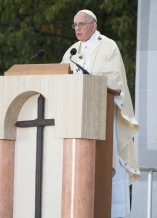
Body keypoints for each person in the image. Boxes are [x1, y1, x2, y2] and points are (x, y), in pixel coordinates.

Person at [62, 10, 140, 218]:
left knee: (106, 161)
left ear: (93, 25)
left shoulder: (108, 46)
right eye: (75, 25)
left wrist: (90, 81)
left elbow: (115, 80)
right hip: (77, 117)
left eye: (81, 24)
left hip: (103, 114)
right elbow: (61, 78)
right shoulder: (72, 50)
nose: (77, 29)